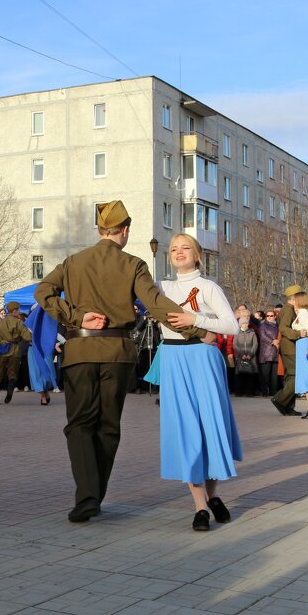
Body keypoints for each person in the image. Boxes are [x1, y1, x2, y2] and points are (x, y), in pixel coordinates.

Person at [35, 200, 202, 523]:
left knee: (80, 424)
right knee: (108, 426)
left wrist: (76, 315)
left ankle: (87, 496)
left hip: (79, 352)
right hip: (117, 354)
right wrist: (196, 328)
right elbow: (154, 304)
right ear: (124, 231)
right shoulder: (134, 264)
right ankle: (95, 494)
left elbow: (44, 292)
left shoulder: (73, 262)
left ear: (100, 231)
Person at [147, 233, 241, 532]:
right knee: (187, 431)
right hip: (174, 360)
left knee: (210, 427)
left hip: (203, 359)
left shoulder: (209, 286)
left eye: (185, 247)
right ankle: (200, 506)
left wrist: (195, 320)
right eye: (173, 248)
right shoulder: (162, 287)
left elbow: (231, 325)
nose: (178, 252)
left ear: (197, 254)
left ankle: (212, 497)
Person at [270, 287, 306, 417]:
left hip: (289, 347)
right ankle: (280, 398)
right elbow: (283, 328)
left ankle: (288, 406)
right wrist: (298, 333)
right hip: (289, 347)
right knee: (296, 376)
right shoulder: (288, 310)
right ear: (295, 297)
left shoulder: (289, 309)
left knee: (290, 376)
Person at [0, 302, 31, 404]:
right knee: (12, 373)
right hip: (15, 350)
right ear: (14, 311)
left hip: (3, 350)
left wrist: (1, 341)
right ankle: (9, 392)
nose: (19, 312)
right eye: (18, 310)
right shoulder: (19, 322)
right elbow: (28, 337)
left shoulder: (1, 322)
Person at [233, 310, 260, 397]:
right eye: (243, 323)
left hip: (251, 357)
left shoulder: (252, 333)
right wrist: (241, 354)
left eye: (246, 323)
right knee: (239, 375)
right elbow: (235, 345)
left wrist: (250, 354)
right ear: (240, 324)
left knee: (250, 375)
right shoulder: (236, 333)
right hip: (240, 357)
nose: (245, 325)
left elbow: (255, 344)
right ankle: (239, 392)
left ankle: (250, 392)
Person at [257, 310, 280, 397]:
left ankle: (274, 391)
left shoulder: (278, 325)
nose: (269, 317)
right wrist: (273, 341)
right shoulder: (263, 325)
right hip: (266, 352)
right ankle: (264, 391)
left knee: (274, 375)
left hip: (276, 351)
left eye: (271, 315)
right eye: (268, 316)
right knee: (265, 374)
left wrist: (278, 341)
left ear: (275, 316)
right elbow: (263, 336)